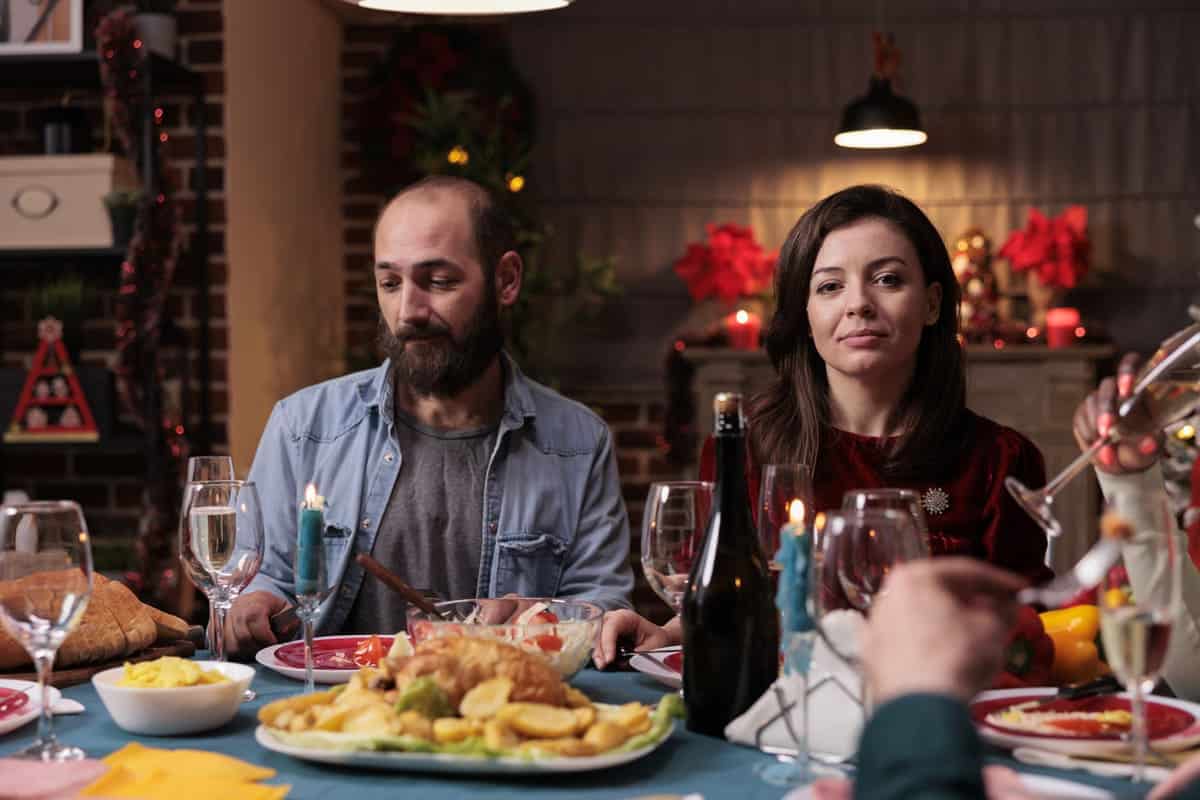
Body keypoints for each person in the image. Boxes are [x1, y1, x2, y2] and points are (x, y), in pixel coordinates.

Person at [597, 184, 1050, 666]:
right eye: (830, 286)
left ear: (933, 304)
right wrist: (663, 633)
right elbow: (720, 605)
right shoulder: (745, 449)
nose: (858, 304)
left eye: (888, 280)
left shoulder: (1001, 459)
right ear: (806, 314)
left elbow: (1025, 631)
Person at [223, 176, 634, 659]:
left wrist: (544, 617)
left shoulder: (578, 442)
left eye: (438, 282)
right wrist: (254, 603)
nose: (408, 311)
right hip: (333, 718)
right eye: (390, 283)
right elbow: (257, 581)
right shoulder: (303, 426)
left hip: (500, 717)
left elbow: (602, 610)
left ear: (506, 280)